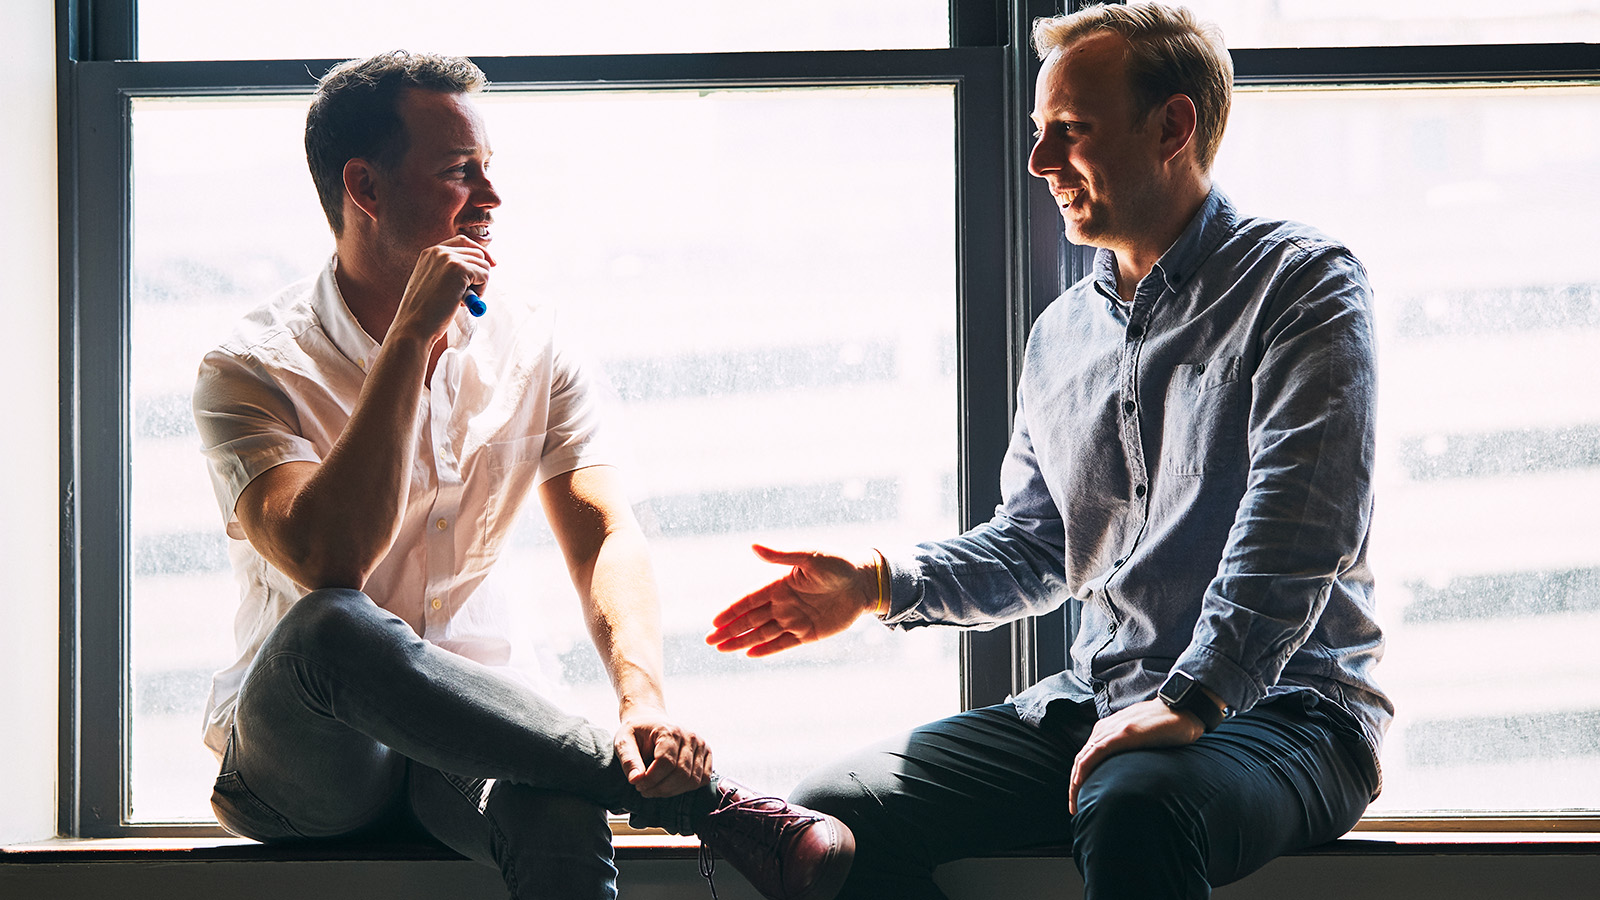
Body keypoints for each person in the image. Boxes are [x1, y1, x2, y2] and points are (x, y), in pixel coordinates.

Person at [706, 3, 1391, 898]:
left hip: (1287, 711)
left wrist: (1191, 699)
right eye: (1039, 133)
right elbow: (1039, 546)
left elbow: (1300, 527)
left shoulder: (1300, 284)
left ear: (1172, 126)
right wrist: (875, 581)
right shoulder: (1062, 334)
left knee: (1136, 801)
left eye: (1069, 131)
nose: (1038, 163)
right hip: (1102, 704)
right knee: (833, 817)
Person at [192, 50, 852, 900]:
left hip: (476, 741)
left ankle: (612, 773)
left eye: (489, 170)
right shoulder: (249, 366)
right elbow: (330, 563)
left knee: (558, 808)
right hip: (308, 761)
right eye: (460, 174)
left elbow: (605, 532)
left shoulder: (532, 339)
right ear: (365, 186)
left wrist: (641, 702)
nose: (492, 200)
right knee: (331, 626)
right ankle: (715, 809)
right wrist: (409, 344)